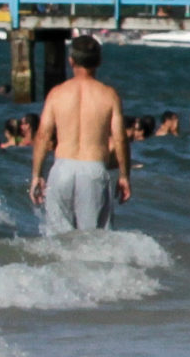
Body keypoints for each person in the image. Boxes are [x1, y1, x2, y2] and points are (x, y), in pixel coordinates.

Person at [29, 35, 131, 233]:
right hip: (93, 170)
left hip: (62, 170)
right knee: (94, 241)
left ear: (71, 60)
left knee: (58, 240)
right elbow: (120, 138)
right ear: (99, 62)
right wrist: (124, 175)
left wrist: (36, 175)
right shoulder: (109, 95)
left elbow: (43, 135)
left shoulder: (57, 93)